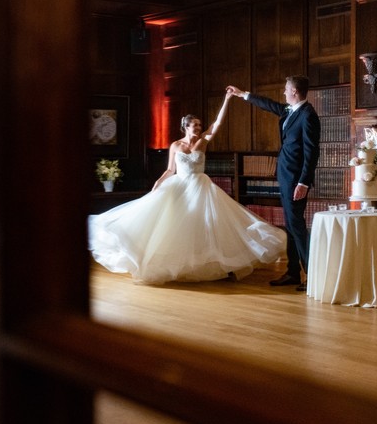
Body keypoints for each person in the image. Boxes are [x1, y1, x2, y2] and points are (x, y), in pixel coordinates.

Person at [88, 92, 286, 285]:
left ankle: (217, 263)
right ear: (186, 127)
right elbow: (170, 170)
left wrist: (226, 100)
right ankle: (177, 264)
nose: (199, 128)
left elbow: (217, 124)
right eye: (195, 125)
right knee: (176, 225)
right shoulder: (175, 146)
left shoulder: (203, 141)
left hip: (201, 187)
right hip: (180, 186)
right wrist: (158, 184)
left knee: (209, 224)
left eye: (200, 125)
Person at [226, 75, 320, 291]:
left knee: (296, 226)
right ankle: (293, 273)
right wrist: (243, 94)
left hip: (296, 180)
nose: (283, 92)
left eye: (286, 89)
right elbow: (270, 105)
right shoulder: (291, 110)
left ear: (295, 92)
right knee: (290, 226)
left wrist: (304, 182)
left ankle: (312, 275)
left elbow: (312, 152)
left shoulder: (308, 116)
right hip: (286, 177)